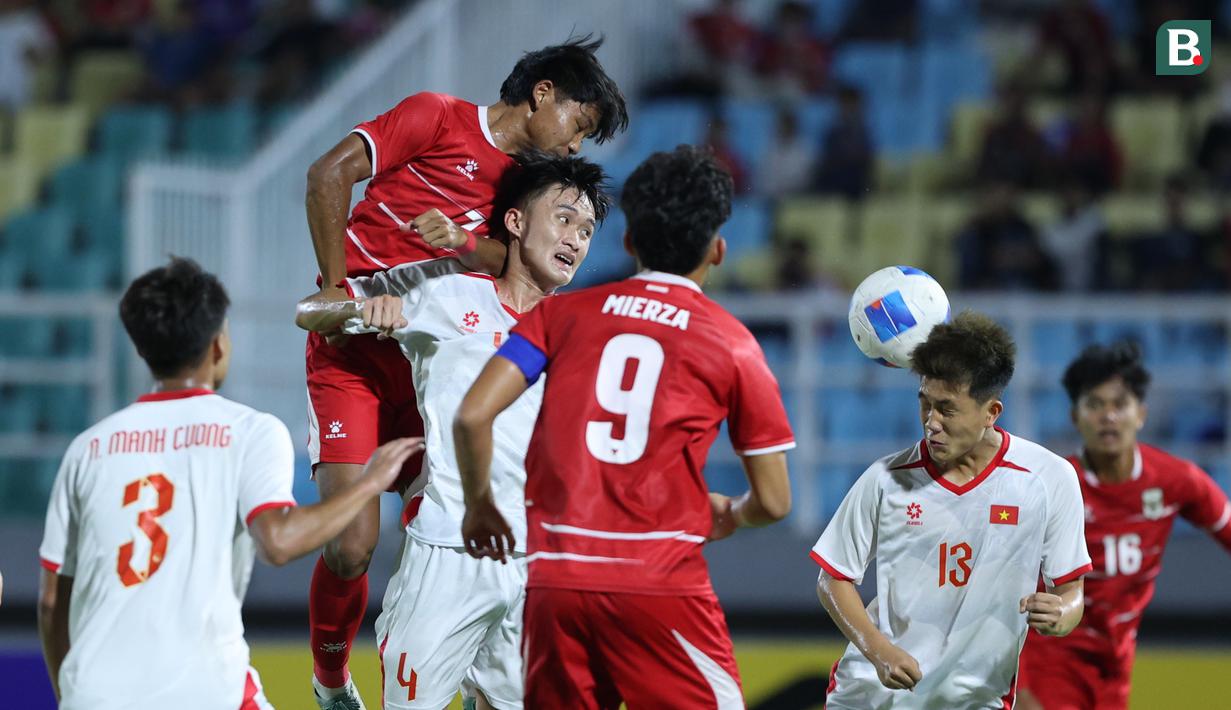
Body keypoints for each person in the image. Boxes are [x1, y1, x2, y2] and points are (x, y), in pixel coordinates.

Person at [301, 37, 627, 709]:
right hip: (358, 350)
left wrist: (460, 245)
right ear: (543, 93)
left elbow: (506, 258)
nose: (573, 149)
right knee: (352, 547)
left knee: (458, 533)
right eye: (577, 127)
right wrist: (337, 287)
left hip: (442, 357)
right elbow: (327, 174)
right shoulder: (435, 116)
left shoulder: (529, 190)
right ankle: (330, 679)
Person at [455, 145, 795, 708]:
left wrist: (479, 504)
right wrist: (731, 514)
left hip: (555, 583)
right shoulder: (731, 342)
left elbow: (472, 415)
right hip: (660, 584)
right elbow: (776, 501)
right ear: (718, 249)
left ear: (631, 241)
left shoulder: (559, 315)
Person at [36, 258, 423, 710]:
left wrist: (72, 694)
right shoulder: (247, 431)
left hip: (92, 696)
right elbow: (277, 542)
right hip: (204, 688)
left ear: (143, 352)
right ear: (218, 345)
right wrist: (367, 484)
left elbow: (49, 602)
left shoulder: (88, 448)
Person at [812, 312, 1092, 709]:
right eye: (924, 404)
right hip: (872, 697)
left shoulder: (1050, 478)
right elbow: (833, 579)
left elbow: (1072, 591)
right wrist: (879, 652)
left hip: (976, 699)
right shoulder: (885, 478)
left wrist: (1062, 612)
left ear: (991, 412)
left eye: (947, 409)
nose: (931, 422)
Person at [1017, 342, 1231, 710]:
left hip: (1115, 666)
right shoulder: (1049, 484)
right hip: (1049, 657)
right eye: (1095, 405)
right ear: (1074, 416)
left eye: (1119, 404)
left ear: (1141, 414)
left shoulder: (1176, 481)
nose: (1108, 416)